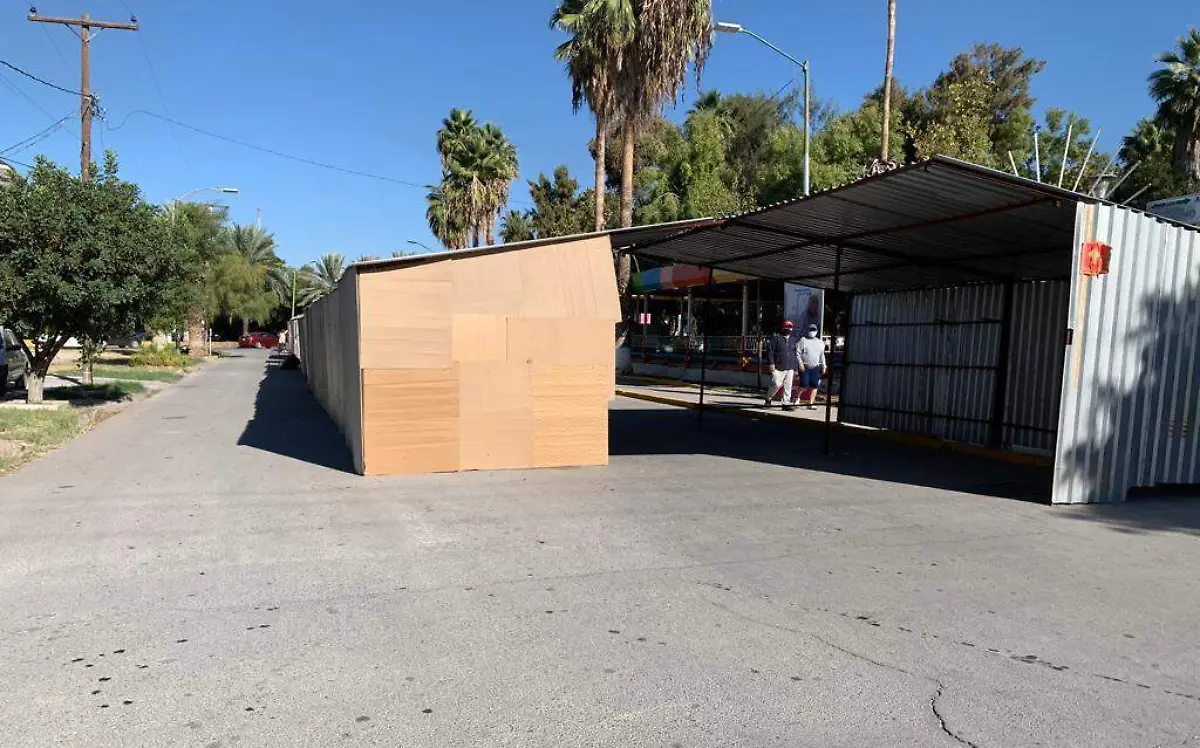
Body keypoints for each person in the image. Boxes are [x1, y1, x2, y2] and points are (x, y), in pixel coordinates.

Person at [765, 320, 799, 411]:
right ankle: (768, 398)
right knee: (776, 384)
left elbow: (794, 353)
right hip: (778, 366)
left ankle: (786, 403)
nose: (788, 329)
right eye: (786, 327)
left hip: (790, 367)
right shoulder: (776, 338)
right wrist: (771, 363)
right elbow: (770, 352)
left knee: (788, 386)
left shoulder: (793, 339)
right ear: (782, 328)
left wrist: (795, 367)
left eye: (790, 327)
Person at [796, 324, 827, 409]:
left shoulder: (820, 342)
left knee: (815, 385)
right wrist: (800, 364)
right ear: (807, 330)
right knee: (804, 384)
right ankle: (796, 398)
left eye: (813, 330)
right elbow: (798, 353)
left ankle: (811, 403)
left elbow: (822, 355)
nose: (812, 332)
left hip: (815, 367)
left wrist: (824, 366)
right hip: (805, 367)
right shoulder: (803, 340)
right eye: (810, 330)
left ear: (816, 331)